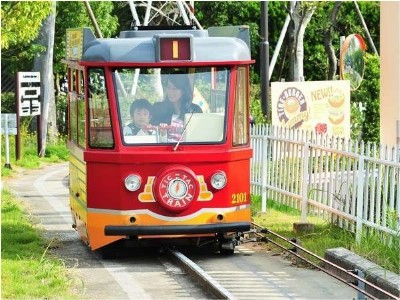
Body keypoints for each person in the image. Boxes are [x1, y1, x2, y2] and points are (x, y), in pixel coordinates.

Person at [151, 72, 202, 141]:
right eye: (169, 87)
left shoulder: (194, 110)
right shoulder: (158, 108)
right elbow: (151, 134)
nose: (170, 92)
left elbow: (199, 136)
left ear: (183, 90)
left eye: (174, 89)